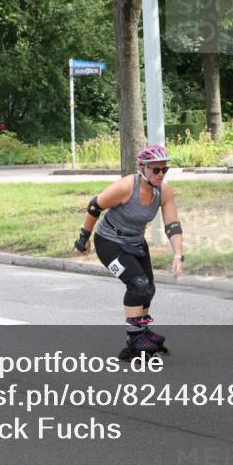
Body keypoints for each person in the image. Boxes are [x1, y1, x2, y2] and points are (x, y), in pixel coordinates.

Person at [74, 144, 184, 358]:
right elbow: (94, 206)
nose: (161, 174)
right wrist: (83, 238)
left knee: (148, 288)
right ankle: (135, 340)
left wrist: (178, 254)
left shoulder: (164, 193)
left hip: (135, 243)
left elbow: (173, 225)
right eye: (156, 170)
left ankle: (141, 331)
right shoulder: (126, 187)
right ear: (142, 168)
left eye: (165, 170)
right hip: (109, 243)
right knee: (138, 284)